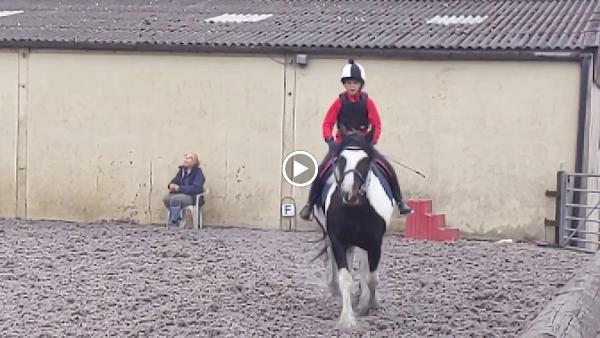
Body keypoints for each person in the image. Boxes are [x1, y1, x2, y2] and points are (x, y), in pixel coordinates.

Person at [299, 59, 412, 220]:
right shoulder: (338, 103)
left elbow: (376, 123)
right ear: (344, 84)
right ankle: (310, 205)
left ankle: (400, 201)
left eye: (355, 83)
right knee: (322, 169)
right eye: (349, 82)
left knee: (386, 166)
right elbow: (327, 123)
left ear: (361, 84)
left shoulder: (368, 102)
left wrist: (372, 142)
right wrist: (329, 140)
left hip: (363, 144)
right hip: (342, 145)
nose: (352, 86)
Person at [163, 152, 205, 225]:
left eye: (188, 158)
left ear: (194, 161)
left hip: (192, 196)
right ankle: (177, 217)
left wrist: (179, 188)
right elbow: (175, 181)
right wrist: (171, 186)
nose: (185, 160)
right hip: (180, 194)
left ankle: (175, 221)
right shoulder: (182, 171)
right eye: (185, 158)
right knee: (166, 198)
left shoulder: (198, 173)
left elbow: (196, 188)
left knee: (176, 199)